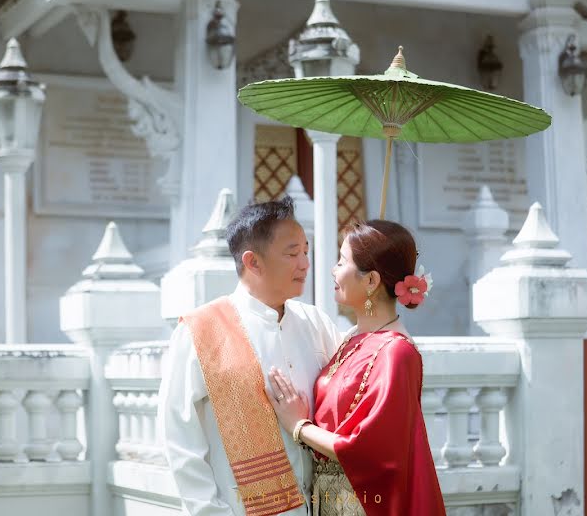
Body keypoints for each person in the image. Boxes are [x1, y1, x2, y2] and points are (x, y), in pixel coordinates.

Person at [160, 196, 342, 516]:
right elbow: (178, 436)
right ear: (253, 261)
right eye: (292, 253)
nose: (305, 264)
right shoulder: (200, 330)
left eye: (306, 252)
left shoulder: (317, 324)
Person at [267, 220, 446, 516]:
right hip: (330, 501)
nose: (333, 270)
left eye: (341, 261)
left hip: (364, 503)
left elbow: (367, 449)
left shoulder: (396, 353)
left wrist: (298, 425)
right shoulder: (352, 341)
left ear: (372, 281)